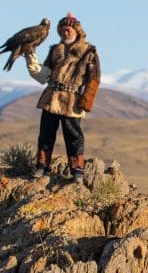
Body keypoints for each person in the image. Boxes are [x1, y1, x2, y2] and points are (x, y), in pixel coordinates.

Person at [23, 12, 100, 183]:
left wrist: (86, 101)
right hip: (52, 97)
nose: (66, 32)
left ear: (77, 31)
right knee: (45, 133)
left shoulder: (88, 51)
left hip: (72, 100)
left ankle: (77, 170)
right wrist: (30, 58)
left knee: (73, 136)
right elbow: (46, 74)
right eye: (63, 30)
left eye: (69, 29)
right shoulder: (55, 50)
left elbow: (94, 79)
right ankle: (42, 167)